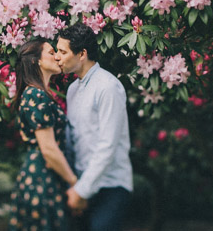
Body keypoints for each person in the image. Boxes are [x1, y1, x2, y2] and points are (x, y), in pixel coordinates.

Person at [55, 23, 133, 231]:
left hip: (110, 186)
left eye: (62, 52)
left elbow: (108, 145)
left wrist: (81, 190)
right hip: (82, 187)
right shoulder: (72, 90)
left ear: (82, 54)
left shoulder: (108, 86)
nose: (57, 57)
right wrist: (77, 188)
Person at [9, 39, 78, 231]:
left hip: (46, 177)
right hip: (42, 177)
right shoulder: (35, 95)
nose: (57, 56)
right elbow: (48, 148)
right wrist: (74, 183)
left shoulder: (39, 94)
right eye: (50, 52)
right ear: (36, 61)